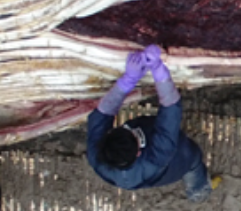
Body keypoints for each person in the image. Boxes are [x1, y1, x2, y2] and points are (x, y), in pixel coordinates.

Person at [87, 45, 213, 200]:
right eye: (134, 134)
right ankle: (198, 190)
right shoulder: (156, 157)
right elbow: (171, 107)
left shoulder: (97, 153)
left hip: (138, 172)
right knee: (193, 160)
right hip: (177, 162)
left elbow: (103, 112)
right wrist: (159, 71)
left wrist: (128, 80)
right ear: (139, 152)